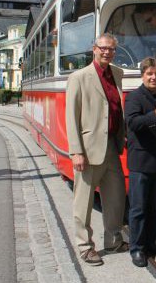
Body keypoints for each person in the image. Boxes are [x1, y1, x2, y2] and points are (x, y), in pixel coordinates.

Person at [65, 33, 128, 267]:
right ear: (94, 49)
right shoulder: (79, 77)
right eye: (103, 48)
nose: (107, 52)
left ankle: (114, 240)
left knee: (115, 197)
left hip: (112, 144)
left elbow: (116, 108)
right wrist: (76, 151)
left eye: (111, 49)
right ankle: (85, 246)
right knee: (84, 200)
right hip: (89, 148)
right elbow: (71, 116)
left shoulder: (118, 74)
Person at [125, 57, 156, 267]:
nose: (154, 77)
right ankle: (137, 248)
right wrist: (155, 114)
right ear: (142, 75)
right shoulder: (134, 97)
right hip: (141, 161)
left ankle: (151, 244)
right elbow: (133, 123)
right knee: (138, 208)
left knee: (153, 207)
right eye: (150, 74)